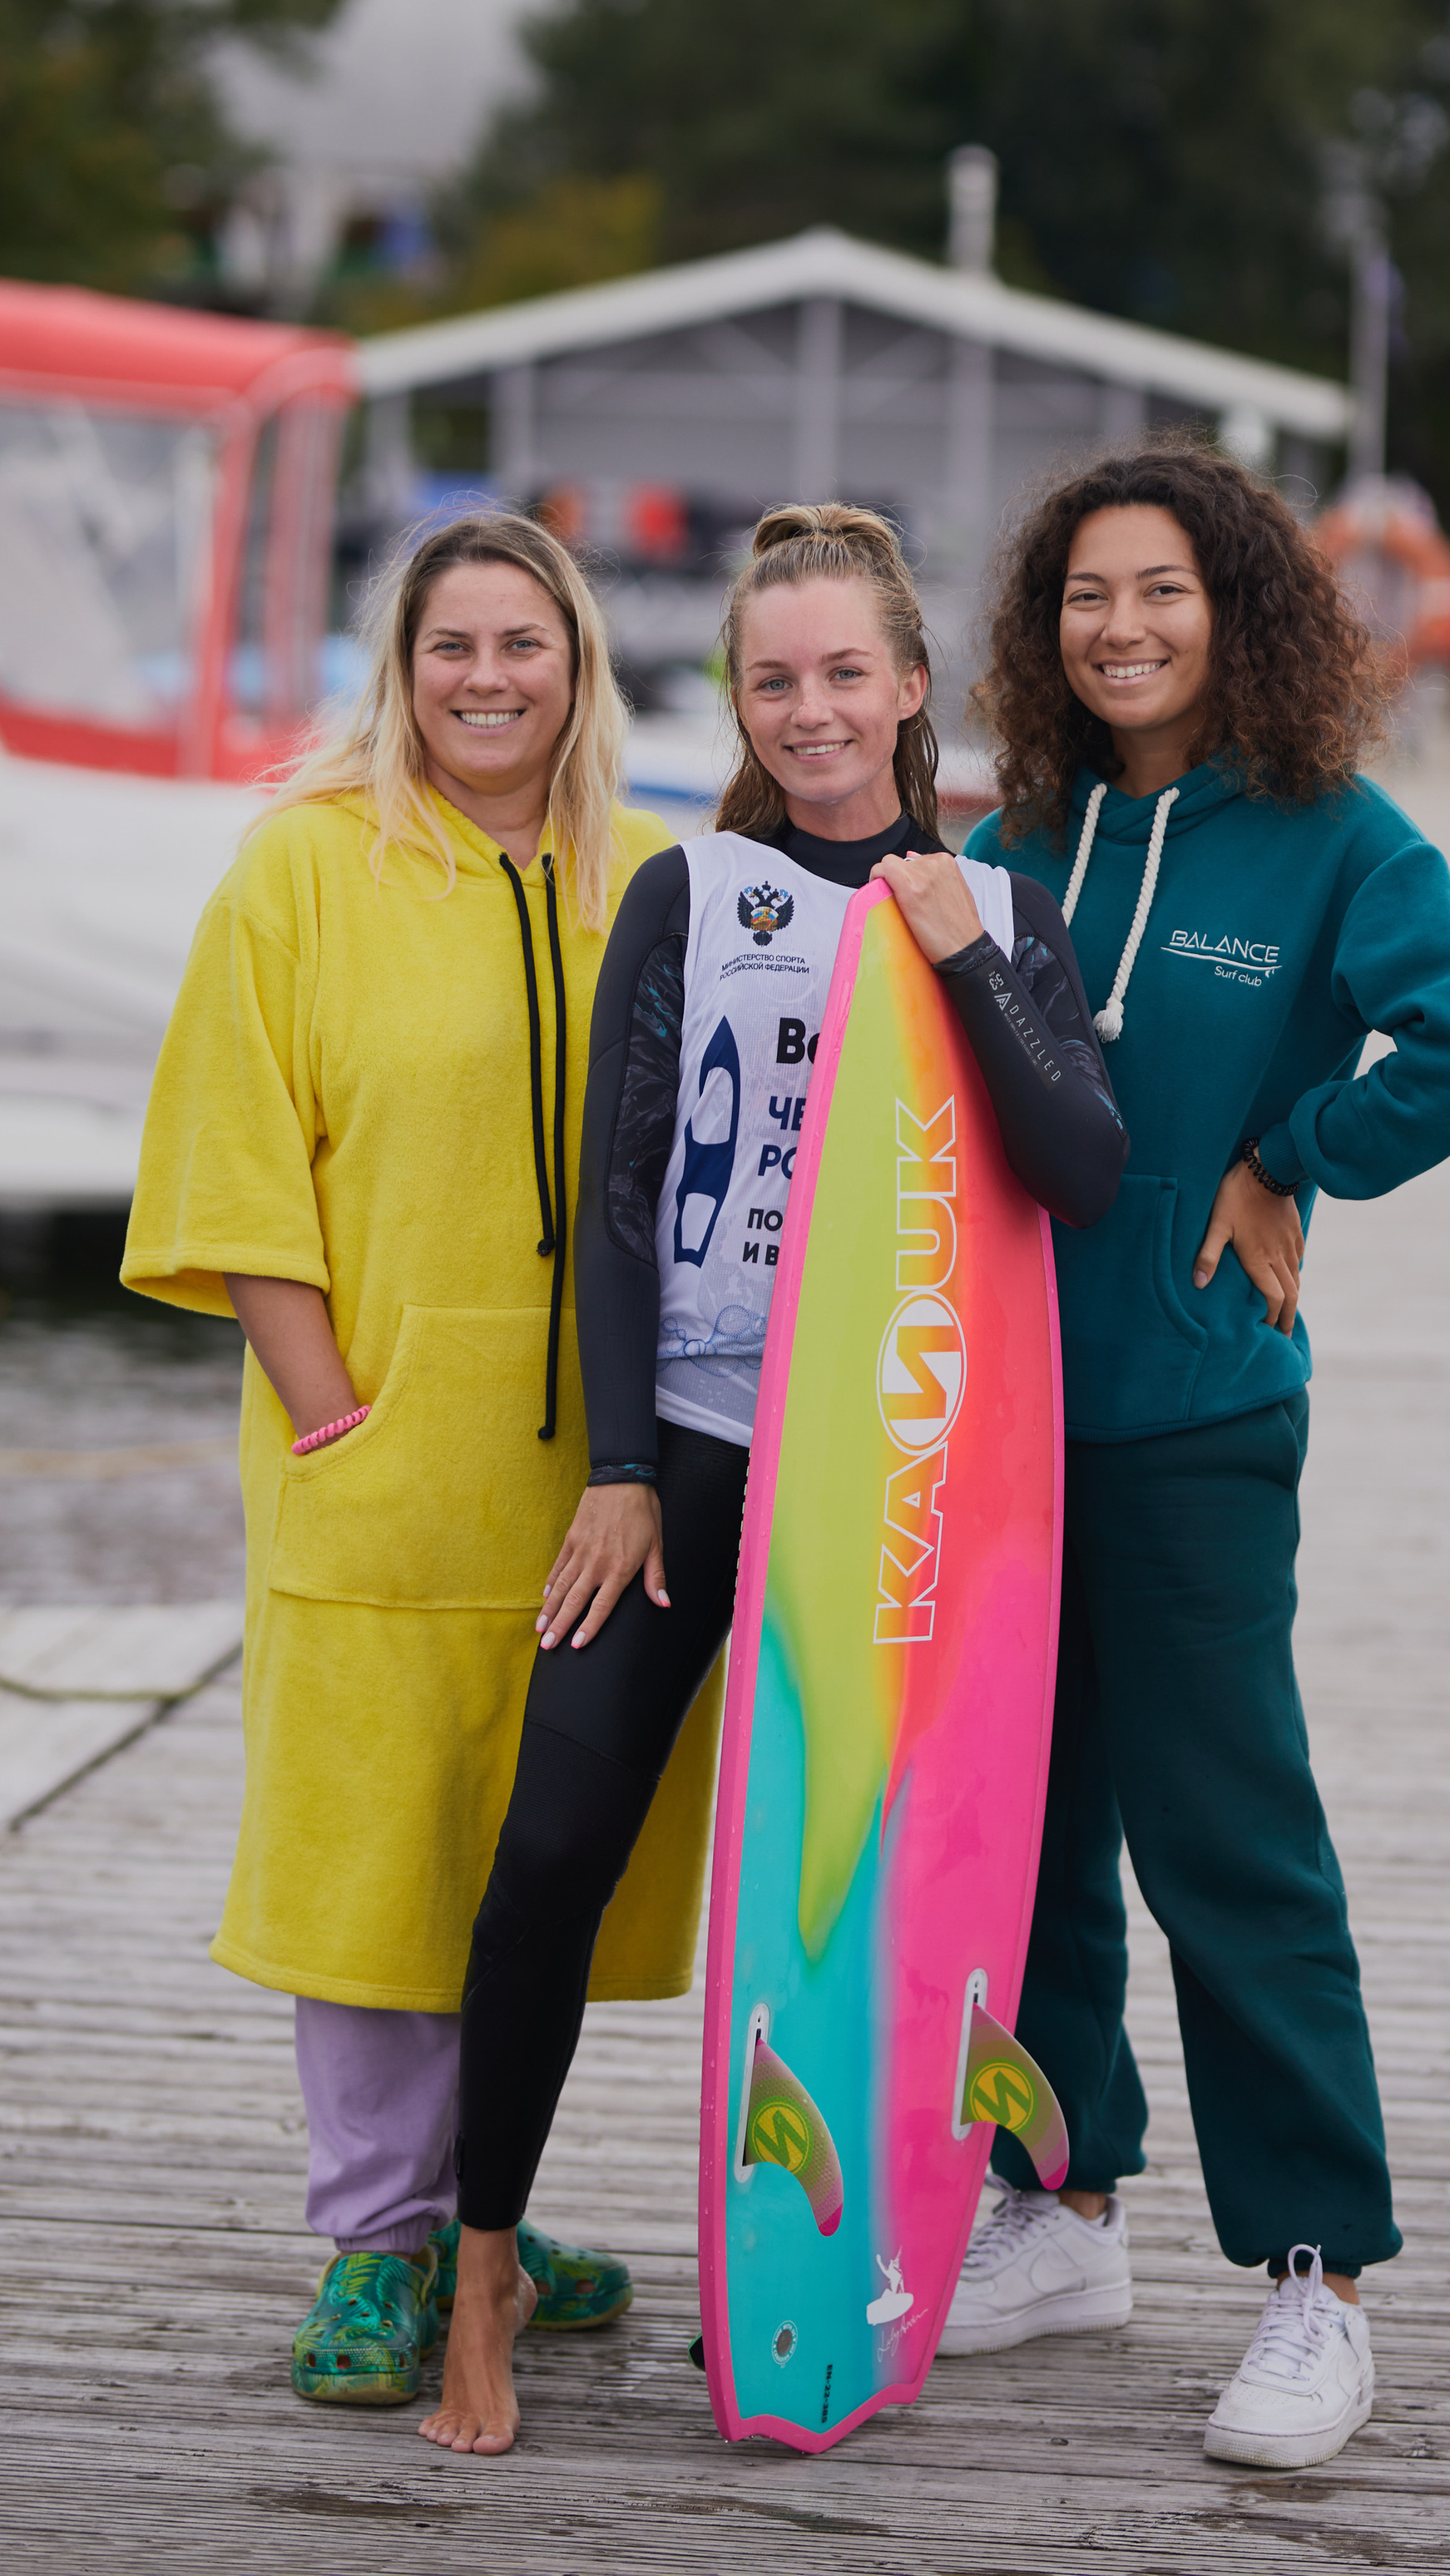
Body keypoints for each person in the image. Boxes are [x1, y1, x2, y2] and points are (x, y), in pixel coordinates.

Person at [421, 501, 1132, 2455]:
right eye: (770, 679)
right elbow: (625, 1197)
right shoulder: (691, 890)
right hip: (708, 1461)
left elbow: (1079, 1166)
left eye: (842, 674)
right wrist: (628, 1468)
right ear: (735, 697)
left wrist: (966, 959)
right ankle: (476, 2277)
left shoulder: (996, 897)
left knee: (865, 1901)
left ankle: (833, 2263)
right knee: (546, 1857)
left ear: (912, 687)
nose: (808, 711)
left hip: (887, 1497)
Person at [941, 440, 1450, 2474]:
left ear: (1238, 612)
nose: (1120, 627)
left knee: (1228, 1849)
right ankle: (1057, 2199)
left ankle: (1313, 2278)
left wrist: (1297, 1153)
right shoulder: (1020, 837)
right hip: (1015, 1420)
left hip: (1196, 1414)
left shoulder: (1330, 839)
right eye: (1086, 596)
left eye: (1162, 593)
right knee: (1025, 1839)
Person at [122, 514, 718, 2411]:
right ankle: (377, 2246)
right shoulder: (302, 872)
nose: (485, 679)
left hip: (599, 1481)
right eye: (449, 644)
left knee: (527, 1856)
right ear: (399, 664)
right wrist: (323, 1411)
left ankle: (489, 2210)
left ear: (577, 665)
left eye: (521, 644)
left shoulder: (653, 875)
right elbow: (236, 1158)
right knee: (375, 1846)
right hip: (380, 1451)